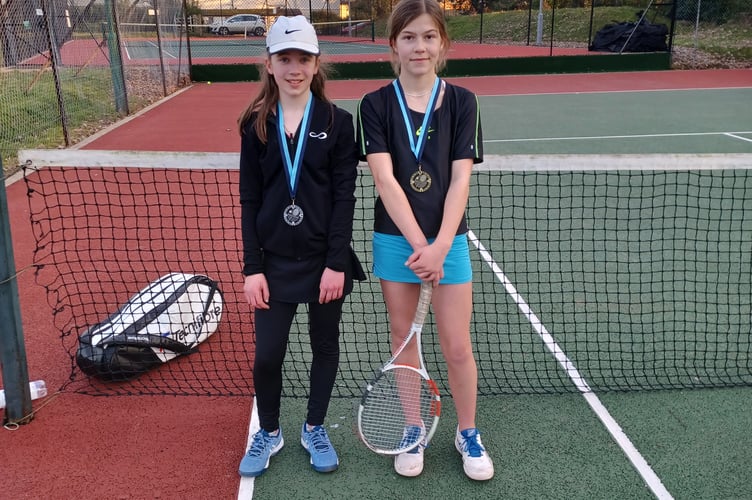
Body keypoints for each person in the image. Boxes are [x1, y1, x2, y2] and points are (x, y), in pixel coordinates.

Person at [356, 0, 494, 481]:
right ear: (393, 44)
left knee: (457, 345)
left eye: (429, 36)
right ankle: (412, 428)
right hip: (397, 242)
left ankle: (468, 432)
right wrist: (420, 246)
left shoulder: (463, 102)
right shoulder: (373, 105)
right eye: (409, 37)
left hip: (449, 243)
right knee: (404, 341)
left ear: (443, 43)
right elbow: (386, 182)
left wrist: (439, 247)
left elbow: (461, 181)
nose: (420, 46)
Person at [237, 15, 364, 477]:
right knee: (268, 354)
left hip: (323, 264)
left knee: (324, 346)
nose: (294, 67)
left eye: (303, 59)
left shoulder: (338, 122)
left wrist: (336, 264)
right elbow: (250, 199)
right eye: (284, 58)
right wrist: (253, 268)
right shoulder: (254, 125)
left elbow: (343, 197)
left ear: (316, 64)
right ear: (268, 64)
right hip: (272, 265)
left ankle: (314, 426)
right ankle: (269, 431)